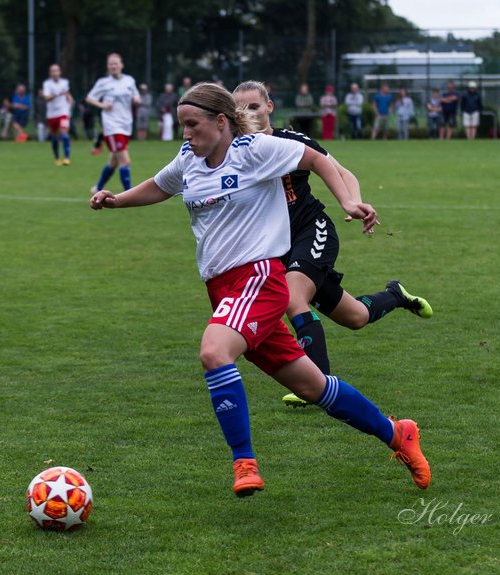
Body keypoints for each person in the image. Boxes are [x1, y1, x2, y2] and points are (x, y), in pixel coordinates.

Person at [88, 82, 430, 496]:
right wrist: (116, 201)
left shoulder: (254, 151)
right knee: (312, 386)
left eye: (192, 125)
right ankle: (398, 434)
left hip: (259, 280)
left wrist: (347, 202)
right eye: (182, 126)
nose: (185, 134)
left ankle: (244, 462)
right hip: (222, 289)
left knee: (214, 351)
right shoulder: (188, 159)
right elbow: (161, 185)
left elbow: (319, 160)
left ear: (220, 121)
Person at [232, 79, 432, 406]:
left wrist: (352, 203)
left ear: (269, 107)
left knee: (292, 299)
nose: (247, 113)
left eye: (254, 106)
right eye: (240, 108)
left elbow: (343, 172)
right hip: (278, 246)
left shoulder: (291, 141)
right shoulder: (234, 150)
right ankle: (396, 295)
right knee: (355, 317)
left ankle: (315, 386)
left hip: (312, 231)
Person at [88, 52, 140, 193]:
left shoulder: (129, 80)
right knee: (125, 161)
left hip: (126, 125)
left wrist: (136, 99)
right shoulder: (103, 82)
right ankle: (129, 193)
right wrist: (102, 106)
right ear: (108, 66)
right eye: (110, 63)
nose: (113, 66)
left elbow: (136, 95)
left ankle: (98, 188)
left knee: (113, 161)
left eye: (116, 63)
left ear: (121, 65)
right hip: (112, 126)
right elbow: (90, 98)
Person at [41, 64, 72, 164]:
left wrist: (69, 99)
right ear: (50, 73)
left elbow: (67, 94)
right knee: (54, 137)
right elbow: (46, 98)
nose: (55, 73)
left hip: (63, 112)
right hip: (52, 114)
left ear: (60, 72)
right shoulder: (47, 84)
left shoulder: (65, 82)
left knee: (64, 134)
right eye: (52, 71)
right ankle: (57, 157)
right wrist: (57, 93)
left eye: (56, 71)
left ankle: (67, 158)